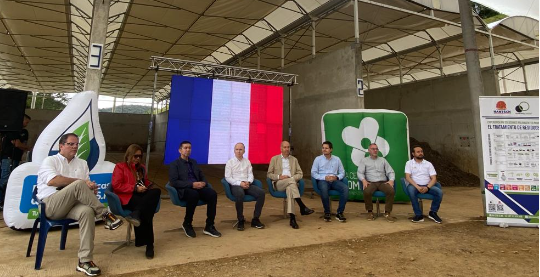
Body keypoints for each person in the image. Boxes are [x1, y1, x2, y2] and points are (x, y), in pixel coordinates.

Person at [36, 133, 123, 276]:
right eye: (71, 144)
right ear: (61, 146)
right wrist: (81, 183)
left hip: (72, 205)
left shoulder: (82, 163)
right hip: (50, 205)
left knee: (87, 212)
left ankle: (85, 261)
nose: (75, 147)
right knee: (78, 184)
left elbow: (83, 189)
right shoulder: (50, 161)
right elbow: (52, 181)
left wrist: (91, 189)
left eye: (77, 144)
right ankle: (105, 214)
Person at [111, 144, 161, 259]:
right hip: (128, 196)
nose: (138, 158)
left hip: (141, 194)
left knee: (156, 192)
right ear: (129, 155)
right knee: (148, 212)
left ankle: (136, 213)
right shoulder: (120, 167)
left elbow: (146, 182)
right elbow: (116, 185)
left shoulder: (141, 168)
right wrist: (134, 188)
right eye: (135, 156)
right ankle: (150, 245)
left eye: (140, 156)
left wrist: (147, 186)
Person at [169, 141, 221, 238]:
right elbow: (174, 182)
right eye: (185, 148)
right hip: (185, 189)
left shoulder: (194, 162)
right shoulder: (174, 164)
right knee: (193, 195)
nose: (188, 150)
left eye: (189, 148)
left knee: (212, 194)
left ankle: (209, 226)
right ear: (180, 150)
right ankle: (187, 223)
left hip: (198, 187)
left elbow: (202, 175)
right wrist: (192, 184)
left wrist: (203, 183)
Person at [267, 141, 314, 229]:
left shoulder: (294, 160)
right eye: (285, 147)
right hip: (279, 183)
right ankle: (302, 206)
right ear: (281, 148)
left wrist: (292, 178)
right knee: (292, 184)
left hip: (291, 183)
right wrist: (279, 176)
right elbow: (269, 174)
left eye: (288, 147)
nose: (287, 149)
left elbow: (300, 174)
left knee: (290, 188)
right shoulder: (274, 159)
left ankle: (292, 219)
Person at [225, 143, 265, 231]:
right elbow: (228, 177)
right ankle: (241, 219)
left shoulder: (247, 161)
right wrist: (240, 183)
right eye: (237, 149)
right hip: (236, 185)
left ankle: (255, 219)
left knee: (261, 193)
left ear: (244, 151)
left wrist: (248, 182)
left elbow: (251, 175)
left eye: (240, 149)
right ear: (234, 151)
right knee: (240, 194)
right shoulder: (230, 162)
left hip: (247, 184)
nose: (239, 151)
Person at [311, 141, 348, 222]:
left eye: (326, 148)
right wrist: (325, 177)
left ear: (331, 149)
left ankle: (340, 212)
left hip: (334, 180)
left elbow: (342, 172)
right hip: (322, 180)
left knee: (345, 188)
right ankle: (327, 212)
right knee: (324, 189)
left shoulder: (337, 159)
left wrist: (336, 177)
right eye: (323, 148)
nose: (324, 150)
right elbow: (313, 173)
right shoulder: (318, 159)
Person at [404, 145, 443, 224]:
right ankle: (418, 215)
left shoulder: (428, 164)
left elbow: (434, 178)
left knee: (439, 192)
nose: (420, 153)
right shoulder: (409, 163)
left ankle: (433, 212)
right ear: (413, 154)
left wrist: (427, 188)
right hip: (415, 185)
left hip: (427, 185)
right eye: (418, 152)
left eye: (421, 151)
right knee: (411, 191)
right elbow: (408, 177)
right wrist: (418, 187)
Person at [357, 143, 395, 222]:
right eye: (373, 149)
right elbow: (360, 172)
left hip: (382, 182)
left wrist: (391, 180)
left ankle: (387, 212)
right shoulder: (364, 160)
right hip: (371, 182)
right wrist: (363, 180)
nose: (375, 150)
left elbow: (390, 171)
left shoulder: (383, 160)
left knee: (391, 191)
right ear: (369, 150)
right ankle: (370, 212)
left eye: (376, 149)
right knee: (367, 191)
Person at [0, 114, 31, 210]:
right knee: (4, 179)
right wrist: (28, 147)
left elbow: (22, 144)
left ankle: (5, 201)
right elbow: (17, 144)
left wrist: (23, 147)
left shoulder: (25, 132)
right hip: (8, 158)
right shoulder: (12, 130)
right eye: (26, 121)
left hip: (17, 158)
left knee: (11, 179)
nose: (26, 124)